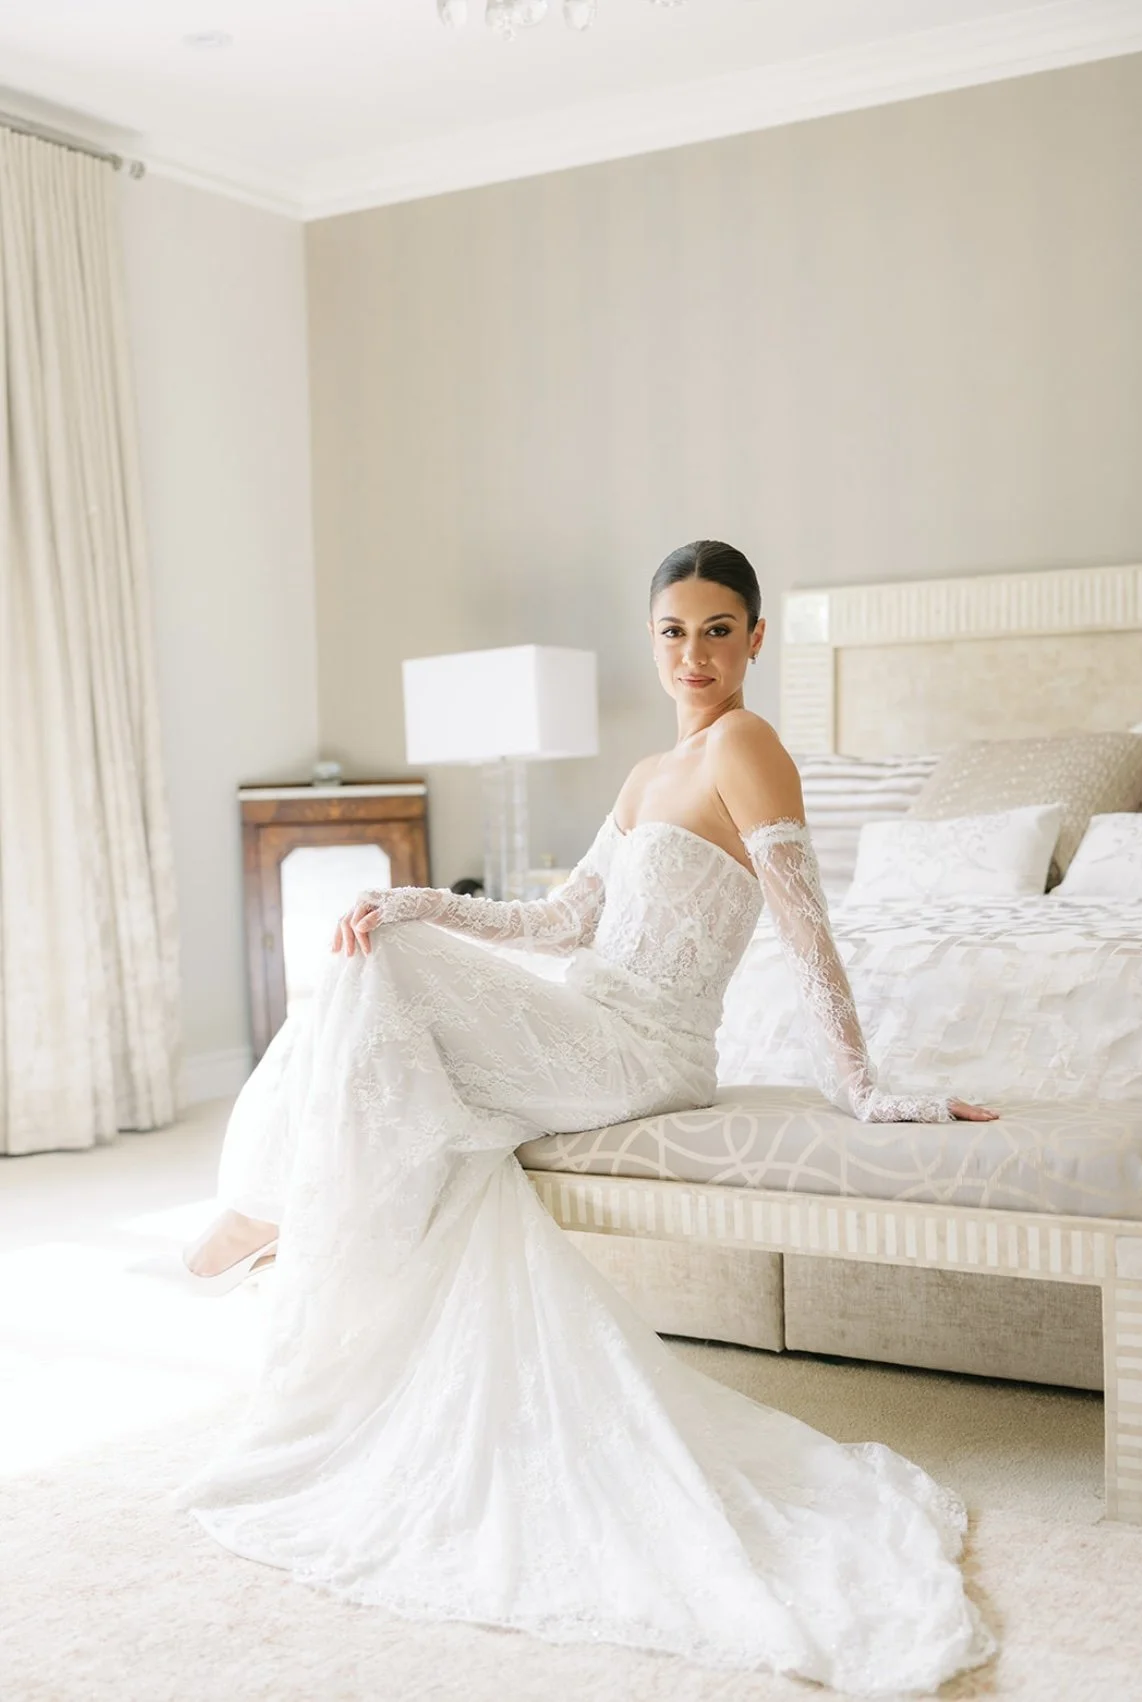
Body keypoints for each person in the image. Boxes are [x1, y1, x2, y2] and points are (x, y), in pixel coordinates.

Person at [180, 541, 996, 1696]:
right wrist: (411, 900)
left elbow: (805, 927)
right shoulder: (644, 775)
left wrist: (863, 1085)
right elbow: (564, 925)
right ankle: (287, 1217)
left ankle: (278, 1217)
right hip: (584, 1013)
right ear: (651, 638)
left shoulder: (749, 747)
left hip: (648, 1053)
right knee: (380, 960)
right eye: (674, 630)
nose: (695, 653)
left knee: (393, 977)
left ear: (757, 639)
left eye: (719, 629)